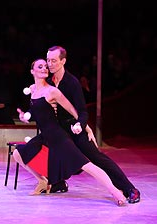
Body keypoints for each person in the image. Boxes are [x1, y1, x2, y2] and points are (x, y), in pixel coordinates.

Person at [15, 46, 140, 204]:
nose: (50, 64)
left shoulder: (71, 83)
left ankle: (129, 189)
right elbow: (40, 105)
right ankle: (57, 183)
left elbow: (81, 111)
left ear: (63, 61)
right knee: (48, 152)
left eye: (53, 61)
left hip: (73, 128)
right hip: (57, 129)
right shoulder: (47, 81)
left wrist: (82, 125)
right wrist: (27, 115)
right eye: (48, 60)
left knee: (96, 158)